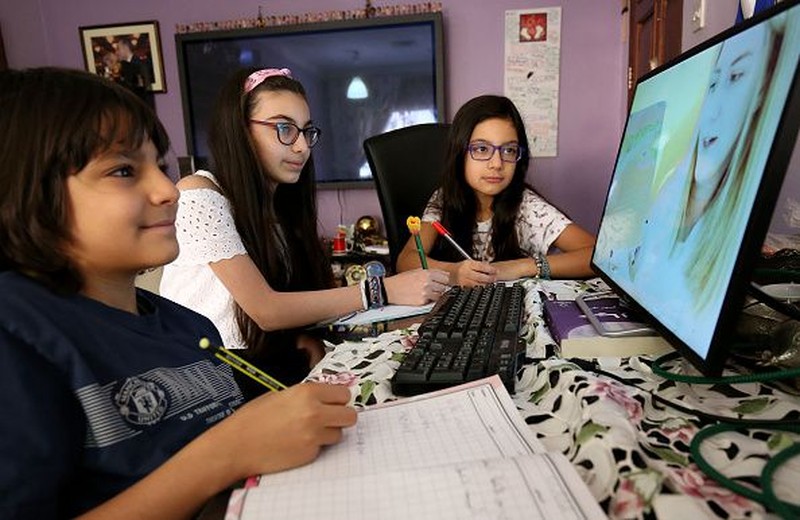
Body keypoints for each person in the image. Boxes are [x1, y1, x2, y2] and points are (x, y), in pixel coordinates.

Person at [0, 67, 357, 519]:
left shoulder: (189, 327)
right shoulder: (18, 330)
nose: (168, 190)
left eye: (161, 168)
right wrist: (227, 451)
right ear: (27, 190)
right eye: (124, 170)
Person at [159, 67, 449, 395]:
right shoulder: (199, 192)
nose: (302, 147)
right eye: (284, 129)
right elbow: (266, 310)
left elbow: (299, 306)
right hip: (211, 376)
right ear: (240, 131)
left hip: (265, 358)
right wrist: (380, 290)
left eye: (306, 131)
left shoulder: (280, 208)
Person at [627, 18, 788, 337]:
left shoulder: (729, 228)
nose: (711, 112)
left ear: (761, 94)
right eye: (712, 84)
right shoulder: (674, 187)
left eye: (737, 76)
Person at [395, 94, 596, 286]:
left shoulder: (527, 207)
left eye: (509, 150)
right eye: (482, 149)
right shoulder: (444, 199)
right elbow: (406, 260)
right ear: (459, 152)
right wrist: (453, 272)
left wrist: (520, 267)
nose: (497, 164)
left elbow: (596, 255)